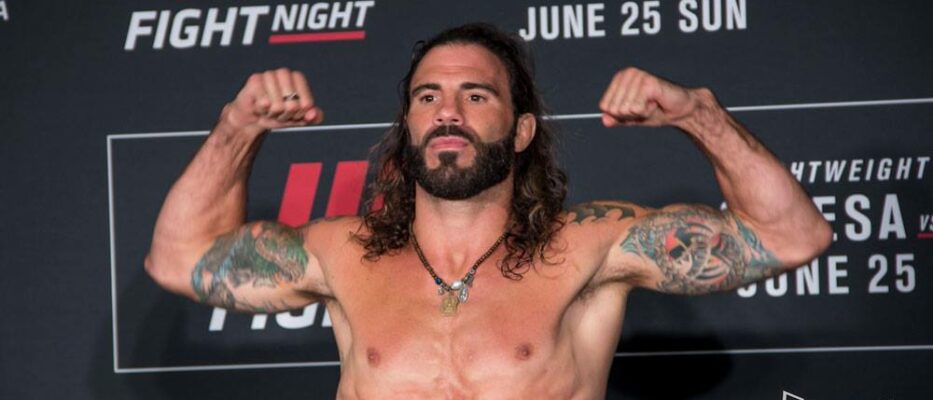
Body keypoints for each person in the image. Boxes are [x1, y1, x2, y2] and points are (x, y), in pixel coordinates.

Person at [145, 23, 831, 398]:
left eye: (475, 95)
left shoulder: (587, 247)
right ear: (408, 127)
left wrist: (699, 116)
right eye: (427, 98)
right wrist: (238, 127)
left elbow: (790, 235)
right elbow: (179, 258)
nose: (447, 112)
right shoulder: (343, 254)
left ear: (522, 130)